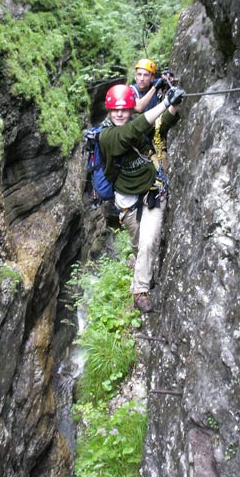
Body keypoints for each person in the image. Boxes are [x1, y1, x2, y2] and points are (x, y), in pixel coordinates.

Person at [99, 83, 184, 313]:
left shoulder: (140, 124)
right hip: (126, 199)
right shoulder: (106, 136)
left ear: (131, 109)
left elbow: (159, 126)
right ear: (108, 111)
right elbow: (131, 132)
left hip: (151, 191)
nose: (119, 113)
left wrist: (172, 107)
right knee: (139, 245)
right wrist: (163, 102)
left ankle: (140, 289)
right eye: (115, 110)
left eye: (124, 109)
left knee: (148, 242)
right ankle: (144, 270)